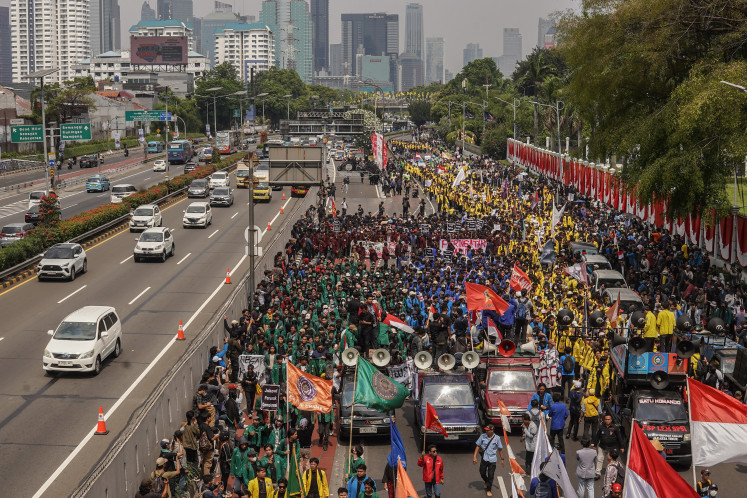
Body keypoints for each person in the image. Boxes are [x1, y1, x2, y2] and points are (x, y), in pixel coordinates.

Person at [472, 425, 505, 497]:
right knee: (482, 472)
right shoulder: (482, 436)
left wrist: (502, 459)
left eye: (487, 430)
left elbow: (500, 449)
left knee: (491, 475)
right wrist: (474, 456)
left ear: (492, 431)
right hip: (484, 458)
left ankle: (489, 489)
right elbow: (477, 446)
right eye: (486, 430)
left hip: (492, 460)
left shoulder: (497, 438)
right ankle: (486, 481)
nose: (486, 431)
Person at [594, 414, 625, 478]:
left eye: (608, 419)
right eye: (606, 419)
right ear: (604, 420)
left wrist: (622, 447)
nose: (607, 420)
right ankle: (597, 473)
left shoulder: (615, 428)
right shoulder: (601, 427)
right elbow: (597, 437)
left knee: (612, 461)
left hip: (612, 447)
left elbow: (619, 438)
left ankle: (613, 473)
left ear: (611, 420)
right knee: (599, 459)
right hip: (602, 446)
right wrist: (594, 444)